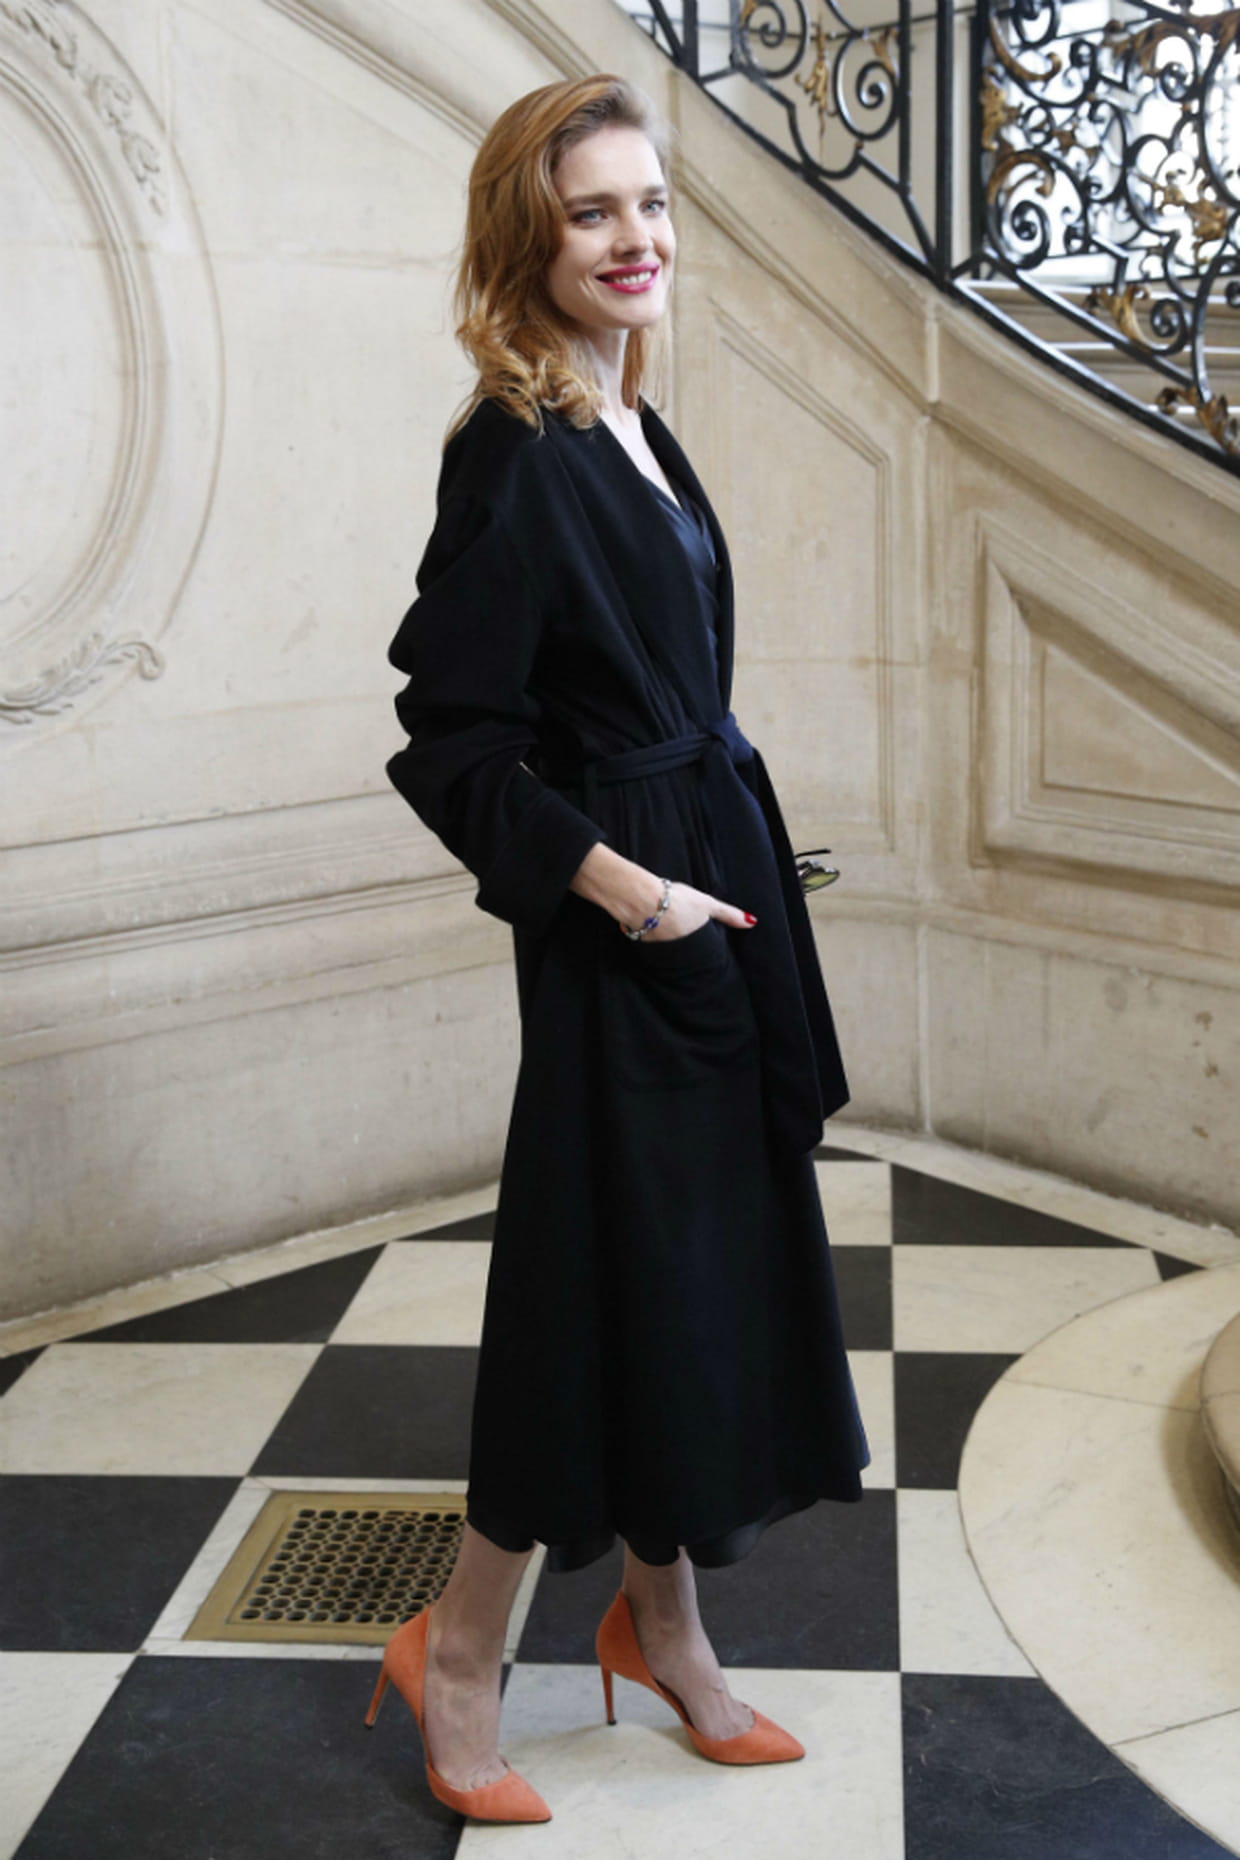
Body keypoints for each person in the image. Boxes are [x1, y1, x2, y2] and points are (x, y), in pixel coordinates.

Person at [371, 72, 871, 1824]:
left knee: (692, 1283)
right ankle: (457, 1654)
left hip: (709, 894)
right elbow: (454, 746)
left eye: (650, 203)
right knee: (586, 1296)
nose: (636, 237)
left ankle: (665, 1631)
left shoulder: (631, 418)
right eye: (593, 211)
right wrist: (629, 895)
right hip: (626, 927)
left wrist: (701, 884)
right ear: (530, 238)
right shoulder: (513, 452)